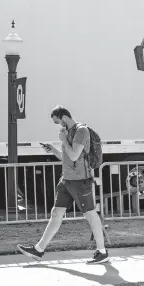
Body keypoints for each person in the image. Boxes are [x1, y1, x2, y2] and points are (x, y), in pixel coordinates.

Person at [17, 105, 109, 264]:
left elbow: (74, 156)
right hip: (66, 180)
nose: (58, 125)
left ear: (64, 118)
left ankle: (102, 252)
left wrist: (64, 140)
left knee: (90, 214)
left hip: (80, 181)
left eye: (57, 122)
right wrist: (53, 149)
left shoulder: (81, 131)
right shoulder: (69, 133)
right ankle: (39, 250)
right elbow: (65, 157)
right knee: (56, 212)